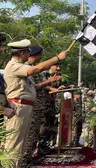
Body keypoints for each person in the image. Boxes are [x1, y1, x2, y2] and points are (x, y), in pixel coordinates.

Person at [4, 39, 68, 167]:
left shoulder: (21, 67)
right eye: (27, 52)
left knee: (21, 143)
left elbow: (35, 85)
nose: (29, 55)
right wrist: (56, 58)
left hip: (25, 107)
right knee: (14, 143)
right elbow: (36, 69)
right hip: (18, 107)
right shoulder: (13, 66)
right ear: (22, 53)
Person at [22, 46, 62, 165]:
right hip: (32, 106)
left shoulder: (35, 69)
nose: (42, 57)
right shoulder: (28, 69)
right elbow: (34, 87)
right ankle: (24, 161)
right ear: (35, 55)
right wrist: (49, 81)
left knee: (34, 135)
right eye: (40, 54)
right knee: (30, 135)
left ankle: (29, 159)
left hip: (39, 106)